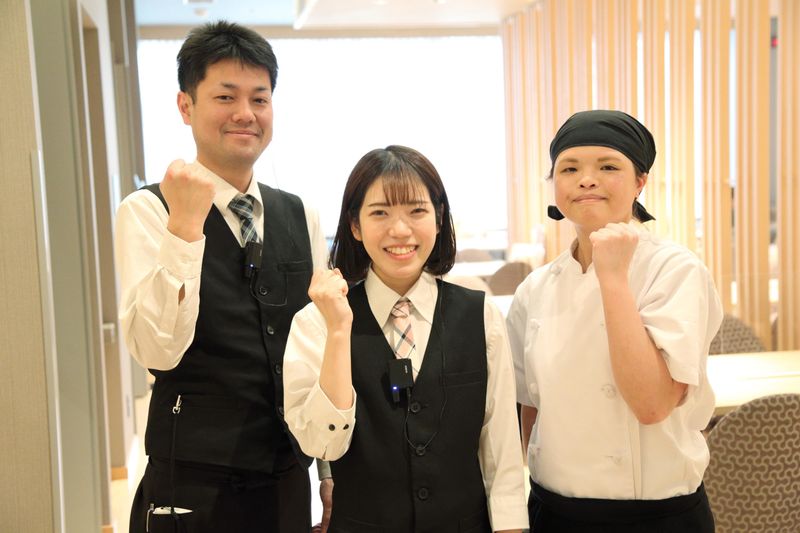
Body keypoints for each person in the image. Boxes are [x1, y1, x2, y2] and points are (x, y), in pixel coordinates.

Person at [115, 21, 331, 533]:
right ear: (185, 106)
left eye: (260, 98)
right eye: (225, 96)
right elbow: (156, 350)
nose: (245, 113)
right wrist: (186, 228)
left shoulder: (300, 214)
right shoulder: (147, 210)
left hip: (285, 481)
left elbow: (318, 353)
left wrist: (328, 470)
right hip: (192, 483)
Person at [283, 145, 528, 532]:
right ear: (355, 225)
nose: (400, 230)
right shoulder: (316, 322)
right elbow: (321, 444)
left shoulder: (481, 316)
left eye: (416, 211)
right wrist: (339, 331)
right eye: (380, 213)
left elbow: (501, 450)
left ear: (439, 218)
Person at [507, 109, 723, 532]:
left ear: (640, 182)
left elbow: (652, 404)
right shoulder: (535, 288)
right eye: (569, 168)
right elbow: (530, 409)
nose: (586, 180)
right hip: (554, 511)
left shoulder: (675, 270)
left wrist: (612, 276)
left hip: (653, 517)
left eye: (608, 167)